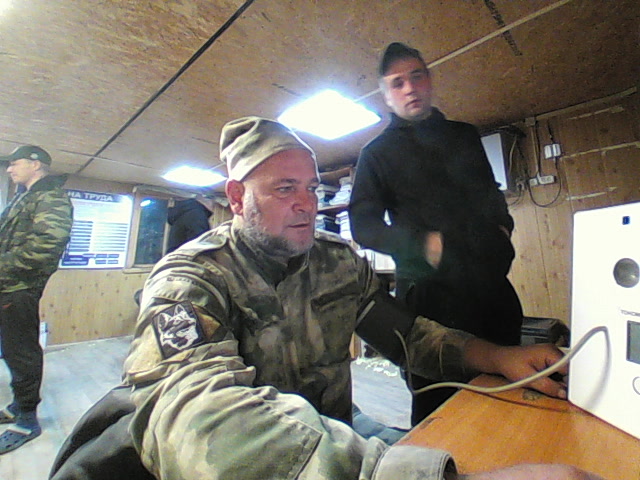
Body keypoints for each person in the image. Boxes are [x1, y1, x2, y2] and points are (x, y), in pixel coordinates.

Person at [64, 116, 596, 480]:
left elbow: (408, 336)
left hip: (337, 431)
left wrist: (497, 356)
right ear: (236, 197)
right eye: (284, 188)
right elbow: (200, 419)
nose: (306, 204)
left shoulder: (336, 261)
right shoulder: (189, 279)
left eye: (312, 189)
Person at [349, 42, 524, 424]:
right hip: (430, 303)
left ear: (429, 80)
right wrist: (422, 245)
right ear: (386, 96)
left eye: (416, 76)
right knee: (439, 412)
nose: (410, 88)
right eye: (397, 83)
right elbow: (363, 225)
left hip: (493, 294)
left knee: (510, 402)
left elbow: (491, 194)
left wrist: (502, 231)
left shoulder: (464, 136)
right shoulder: (376, 153)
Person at [0, 145, 73, 453]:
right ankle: (18, 405)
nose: (9, 169)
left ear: (36, 164)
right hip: (8, 285)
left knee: (21, 352)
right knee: (11, 349)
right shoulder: (25, 197)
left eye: (14, 163)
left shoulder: (51, 197)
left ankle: (27, 420)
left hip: (20, 287)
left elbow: (46, 246)